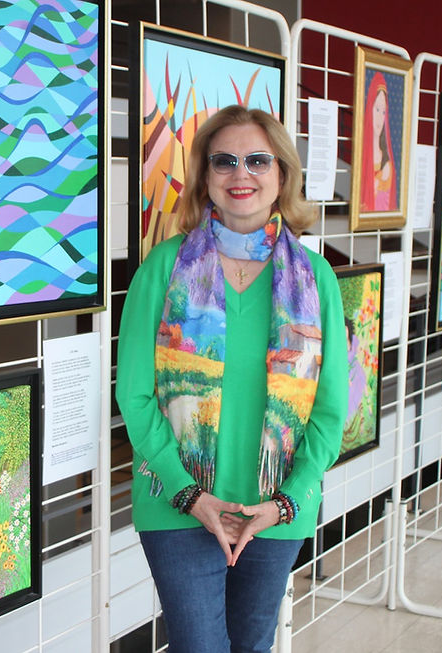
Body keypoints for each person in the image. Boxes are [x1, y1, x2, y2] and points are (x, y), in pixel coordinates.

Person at [115, 105, 348, 653]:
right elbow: (135, 393)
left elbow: (332, 407)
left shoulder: (316, 280)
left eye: (257, 160)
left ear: (282, 174)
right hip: (179, 504)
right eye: (224, 161)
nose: (240, 174)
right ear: (205, 178)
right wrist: (190, 493)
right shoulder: (164, 270)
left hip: (276, 512)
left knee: (252, 646)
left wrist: (286, 500)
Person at [360, 72, 397, 212]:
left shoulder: (386, 159)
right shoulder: (362, 157)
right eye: (377, 109)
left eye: (383, 111)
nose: (380, 117)